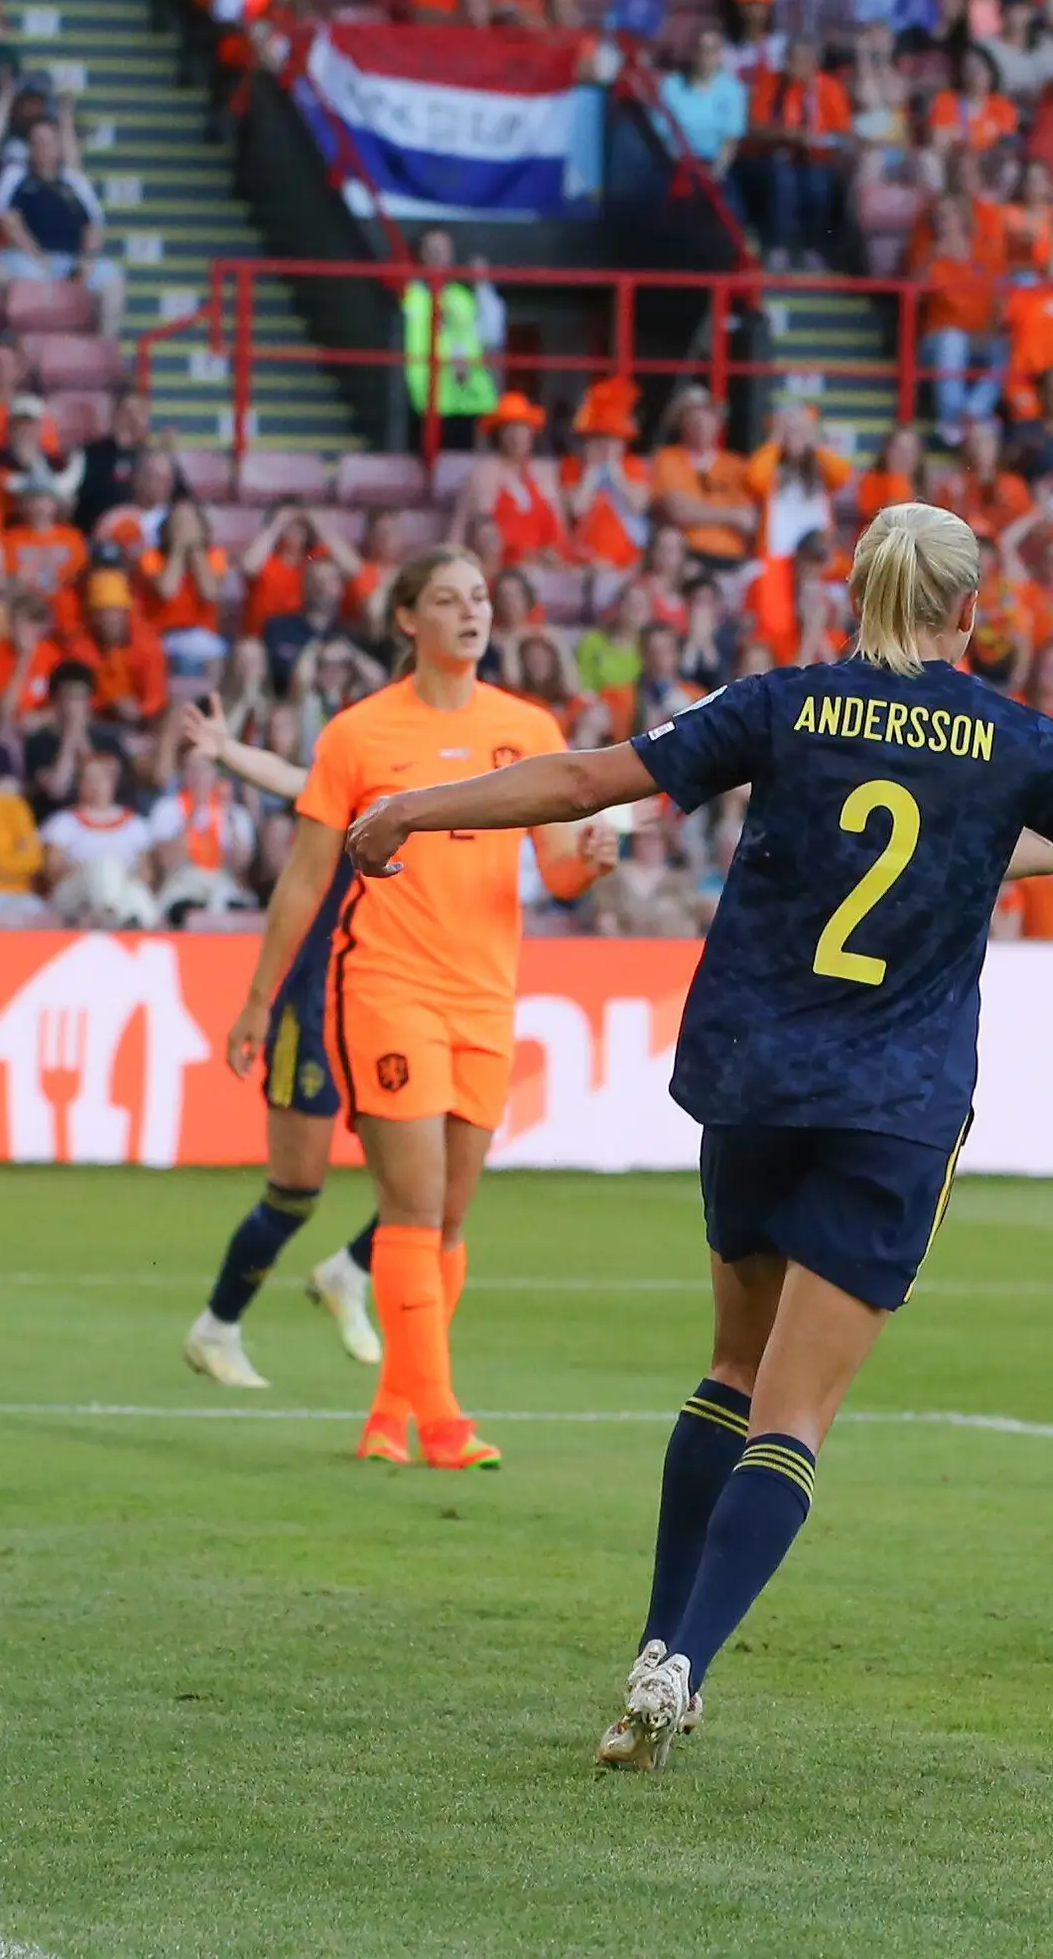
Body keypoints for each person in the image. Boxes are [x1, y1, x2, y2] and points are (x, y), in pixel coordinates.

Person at [335, 503, 1053, 1767]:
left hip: (756, 1080)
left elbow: (587, 778)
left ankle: (657, 1642)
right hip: (894, 1104)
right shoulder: (1019, 739)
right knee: (792, 1418)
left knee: (730, 1369)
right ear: (970, 612)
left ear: (857, 595)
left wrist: (415, 807)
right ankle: (682, 1660)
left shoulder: (782, 702)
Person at [214, 546, 620, 1467]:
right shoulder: (360, 734)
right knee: (413, 1203)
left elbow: (556, 870)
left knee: (448, 1219)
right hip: (387, 986)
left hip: (486, 995)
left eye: (479, 597)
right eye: (447, 599)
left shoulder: (529, 727)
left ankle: (386, 1417)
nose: (471, 612)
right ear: (407, 619)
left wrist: (588, 865)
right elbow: (304, 880)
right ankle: (441, 1422)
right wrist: (258, 1000)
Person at [174, 691, 381, 1387]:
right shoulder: (364, 779)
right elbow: (296, 780)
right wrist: (227, 752)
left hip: (393, 1000)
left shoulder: (457, 786)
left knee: (440, 1176)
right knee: (296, 1192)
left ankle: (350, 1270)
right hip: (315, 1002)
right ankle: (217, 1328)